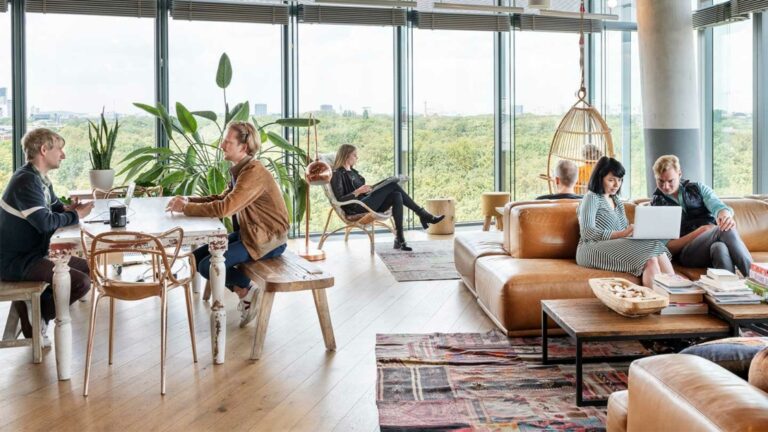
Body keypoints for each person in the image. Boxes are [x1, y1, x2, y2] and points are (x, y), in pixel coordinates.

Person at [166, 121, 289, 328]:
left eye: (227, 142)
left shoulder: (253, 173)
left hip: (268, 241)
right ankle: (246, 291)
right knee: (196, 258)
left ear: (244, 147)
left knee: (208, 265)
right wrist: (188, 200)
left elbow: (225, 208)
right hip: (250, 235)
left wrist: (185, 208)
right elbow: (222, 197)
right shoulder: (241, 170)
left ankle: (246, 289)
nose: (222, 146)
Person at [0, 128, 94, 345]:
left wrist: (71, 208)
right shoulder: (26, 181)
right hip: (17, 261)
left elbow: (55, 210)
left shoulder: (40, 179)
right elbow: (45, 223)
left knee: (88, 268)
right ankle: (39, 316)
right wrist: (75, 215)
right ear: (44, 150)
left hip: (34, 254)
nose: (63, 155)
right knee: (80, 282)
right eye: (60, 149)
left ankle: (37, 311)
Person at [576, 156, 674, 288]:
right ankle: (677, 293)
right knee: (653, 246)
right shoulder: (591, 198)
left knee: (651, 258)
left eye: (620, 180)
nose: (617, 185)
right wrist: (622, 233)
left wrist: (636, 232)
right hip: (591, 248)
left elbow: (624, 233)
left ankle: (660, 301)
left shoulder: (617, 201)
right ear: (600, 178)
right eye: (611, 180)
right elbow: (587, 232)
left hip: (612, 246)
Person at [650, 155, 752, 276]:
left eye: (670, 181)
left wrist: (725, 216)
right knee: (723, 230)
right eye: (660, 181)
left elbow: (718, 207)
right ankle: (757, 279)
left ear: (679, 174)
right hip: (686, 254)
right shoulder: (655, 206)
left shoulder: (698, 188)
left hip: (711, 244)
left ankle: (728, 291)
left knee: (719, 248)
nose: (665, 186)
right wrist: (700, 231)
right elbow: (666, 248)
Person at [330, 144, 444, 252]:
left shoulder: (353, 172)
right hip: (356, 207)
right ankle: (423, 215)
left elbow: (362, 191)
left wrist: (371, 189)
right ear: (346, 155)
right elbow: (340, 200)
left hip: (366, 201)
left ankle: (400, 238)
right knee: (393, 185)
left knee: (396, 195)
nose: (357, 157)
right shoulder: (337, 174)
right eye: (354, 155)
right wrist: (358, 191)